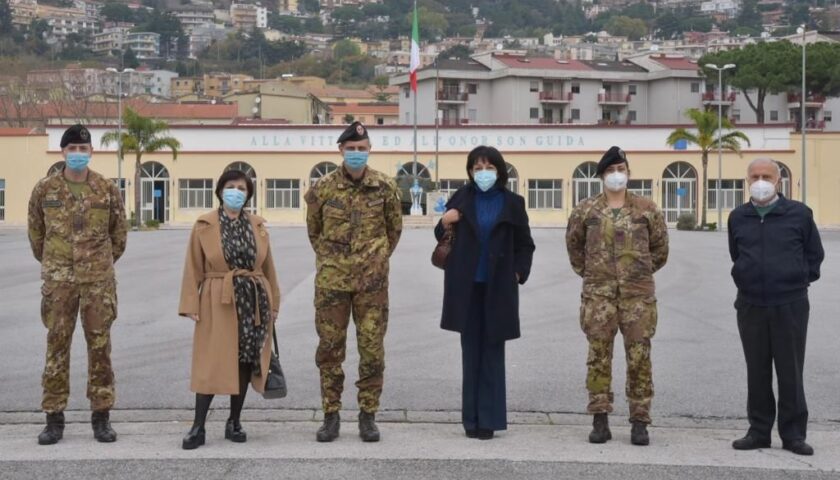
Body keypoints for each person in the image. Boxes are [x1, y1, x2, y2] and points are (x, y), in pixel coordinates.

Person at [27, 124, 127, 445]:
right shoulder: (45, 190)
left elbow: (119, 235)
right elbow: (36, 235)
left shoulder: (106, 190)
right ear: (63, 152)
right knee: (57, 346)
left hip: (98, 282)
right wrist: (57, 265)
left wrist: (98, 264)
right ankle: (54, 419)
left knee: (100, 347)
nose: (78, 155)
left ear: (91, 153)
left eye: (83, 150)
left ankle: (101, 417)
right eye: (72, 150)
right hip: (59, 283)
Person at [304, 122, 402, 442]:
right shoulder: (322, 189)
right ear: (341, 150)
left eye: (362, 149)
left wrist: (373, 261)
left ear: (369, 150)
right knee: (330, 350)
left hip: (372, 286)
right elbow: (314, 232)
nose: (356, 154)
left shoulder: (385, 187)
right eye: (351, 149)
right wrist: (334, 261)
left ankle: (367, 415)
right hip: (332, 284)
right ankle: (331, 416)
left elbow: (393, 232)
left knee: (372, 351)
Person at [565, 146, 669, 446]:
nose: (616, 175)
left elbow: (660, 251)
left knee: (639, 357)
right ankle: (600, 419)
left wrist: (637, 274)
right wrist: (595, 276)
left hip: (638, 298)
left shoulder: (646, 209)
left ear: (628, 173)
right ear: (601, 176)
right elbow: (575, 248)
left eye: (621, 169)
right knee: (598, 356)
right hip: (598, 297)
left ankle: (640, 421)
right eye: (610, 171)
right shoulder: (585, 210)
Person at [435, 146, 535, 440]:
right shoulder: (460, 199)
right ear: (469, 171)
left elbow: (525, 244)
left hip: (498, 288)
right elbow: (442, 238)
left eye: (489, 167)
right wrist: (444, 221)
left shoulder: (513, 203)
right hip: (466, 288)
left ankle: (489, 421)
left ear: (499, 171)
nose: (483, 173)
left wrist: (517, 272)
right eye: (477, 168)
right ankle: (471, 420)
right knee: (470, 354)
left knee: (492, 353)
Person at [178, 169, 281, 450]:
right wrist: (190, 303)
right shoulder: (205, 224)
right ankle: (198, 427)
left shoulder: (257, 225)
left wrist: (274, 303)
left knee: (246, 362)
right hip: (217, 298)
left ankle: (234, 421)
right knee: (211, 362)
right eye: (231, 186)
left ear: (248, 194)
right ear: (221, 190)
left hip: (253, 300)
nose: (237, 192)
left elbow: (268, 267)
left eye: (242, 188)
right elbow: (193, 265)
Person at [728, 158, 824, 456]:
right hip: (751, 304)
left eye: (766, 176)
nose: (760, 181)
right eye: (754, 176)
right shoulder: (738, 217)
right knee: (756, 370)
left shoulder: (798, 214)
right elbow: (736, 254)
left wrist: (794, 281)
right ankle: (758, 431)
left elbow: (814, 256)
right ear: (747, 181)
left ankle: (793, 434)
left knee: (790, 370)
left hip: (790, 304)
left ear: (778, 181)